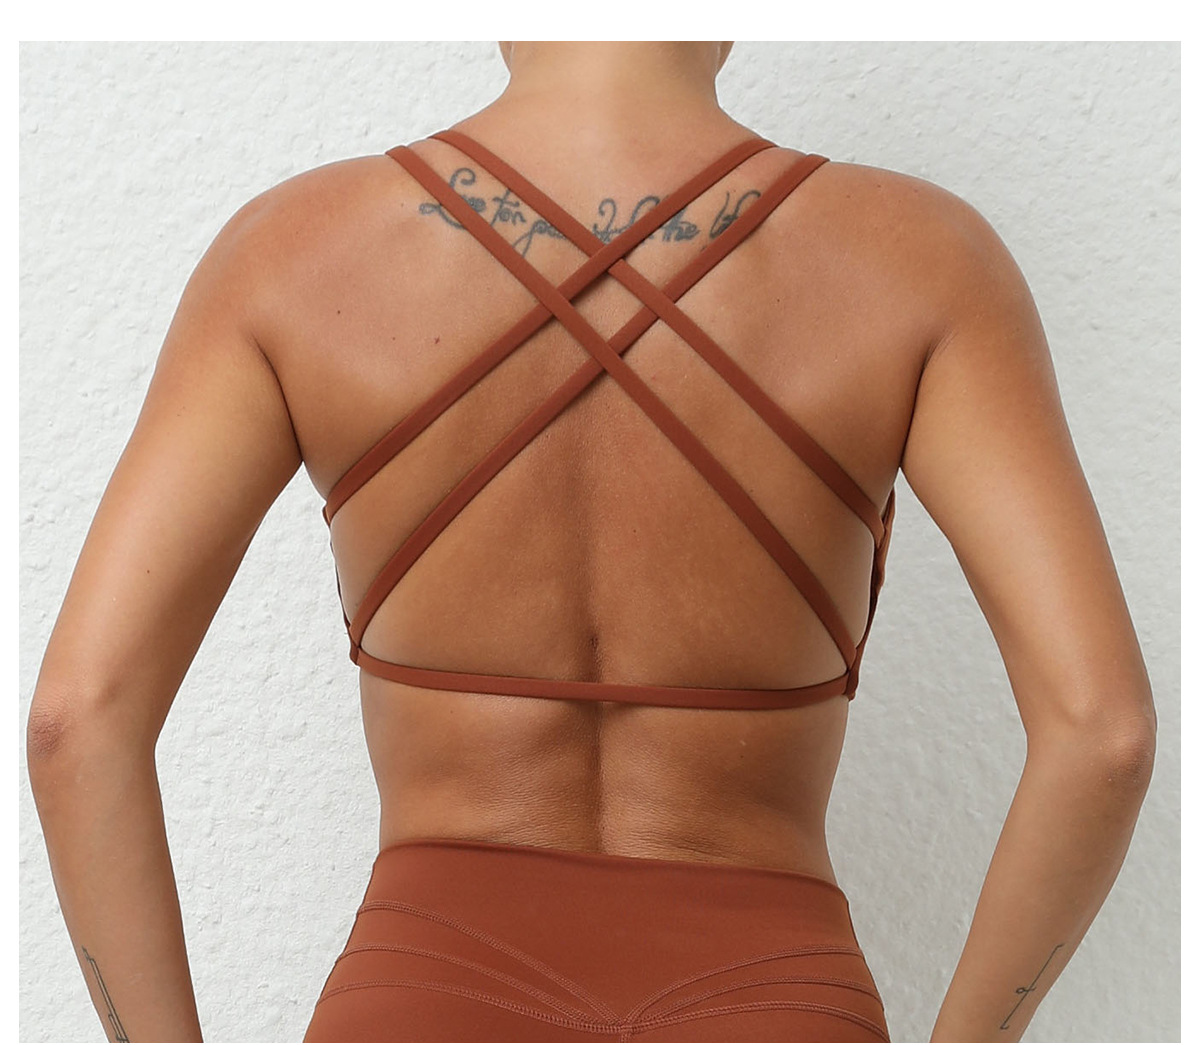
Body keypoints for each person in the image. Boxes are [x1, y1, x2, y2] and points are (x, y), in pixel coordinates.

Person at [26, 41, 1156, 1043]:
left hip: (417, 1006)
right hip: (775, 1001)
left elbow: (77, 722)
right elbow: (1100, 733)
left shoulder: (290, 253)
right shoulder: (922, 258)